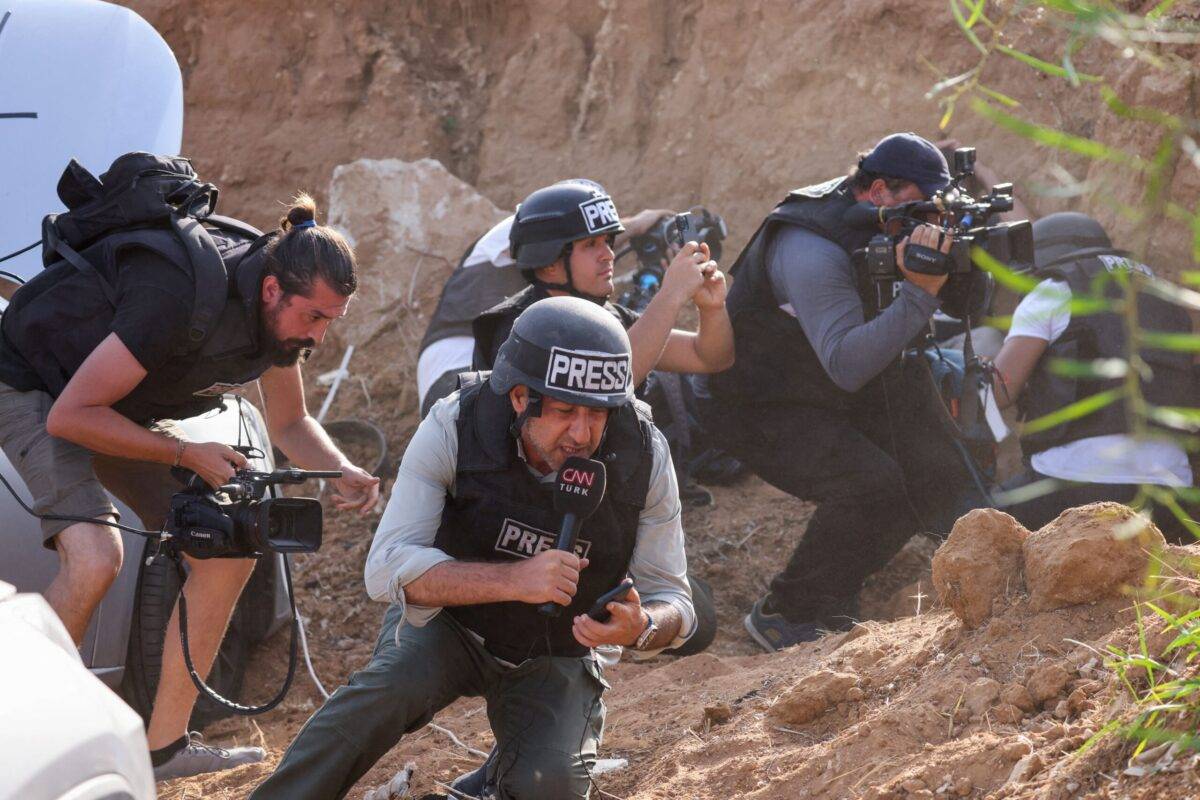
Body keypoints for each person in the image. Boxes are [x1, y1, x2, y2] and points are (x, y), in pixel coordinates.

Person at [0, 169, 381, 780]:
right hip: (31, 385)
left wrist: (339, 469)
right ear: (271, 290)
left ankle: (162, 750)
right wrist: (183, 454)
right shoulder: (178, 296)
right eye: (313, 317)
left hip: (107, 403)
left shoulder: (277, 323)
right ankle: (14, 742)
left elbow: (289, 422)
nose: (317, 336)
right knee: (96, 556)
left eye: (329, 322)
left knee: (228, 549)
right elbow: (72, 417)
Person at [250, 296, 694, 800]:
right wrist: (514, 579)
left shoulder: (643, 452)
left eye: (598, 414)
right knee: (389, 688)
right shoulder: (457, 422)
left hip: (555, 652)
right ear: (519, 397)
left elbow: (676, 599)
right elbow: (386, 568)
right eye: (565, 411)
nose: (582, 433)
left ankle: (506, 770)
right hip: (450, 627)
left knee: (550, 786)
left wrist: (644, 627)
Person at [697, 132, 978, 651]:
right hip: (758, 400)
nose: (929, 227)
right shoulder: (812, 247)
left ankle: (836, 587)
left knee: (937, 468)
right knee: (871, 483)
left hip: (819, 385)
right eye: (918, 211)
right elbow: (847, 363)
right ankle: (788, 612)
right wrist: (920, 293)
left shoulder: (883, 220)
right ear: (877, 192)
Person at [991, 211, 1195, 539]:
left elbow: (1000, 390)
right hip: (1172, 495)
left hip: (1075, 491)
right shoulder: (1162, 293)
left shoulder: (1054, 288)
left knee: (986, 525)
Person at [416, 205, 673, 417]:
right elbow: (567, 237)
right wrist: (638, 224)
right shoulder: (524, 225)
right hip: (451, 371)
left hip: (492, 365)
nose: (605, 252)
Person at [471, 180, 733, 386]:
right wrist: (671, 295)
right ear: (548, 262)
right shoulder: (520, 330)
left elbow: (708, 357)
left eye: (608, 241)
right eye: (591, 245)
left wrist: (711, 308)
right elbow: (613, 381)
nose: (608, 254)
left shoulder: (607, 318)